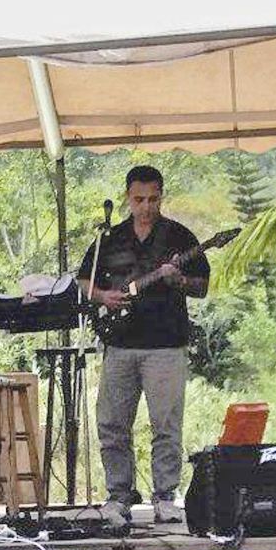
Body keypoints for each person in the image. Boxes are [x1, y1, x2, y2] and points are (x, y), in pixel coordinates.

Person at [77, 164, 207, 527]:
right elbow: (83, 280)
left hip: (166, 344)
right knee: (112, 423)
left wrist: (178, 278)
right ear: (127, 198)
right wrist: (103, 295)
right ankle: (119, 495)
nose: (146, 207)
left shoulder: (180, 237)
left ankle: (166, 495)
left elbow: (202, 286)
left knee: (165, 424)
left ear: (161, 196)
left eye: (152, 199)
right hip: (119, 344)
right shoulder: (112, 238)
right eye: (139, 200)